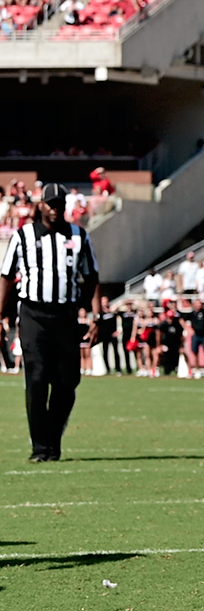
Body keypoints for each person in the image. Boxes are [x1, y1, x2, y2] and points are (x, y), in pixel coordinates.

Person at [0, 183, 105, 461]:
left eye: (59, 204)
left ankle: (53, 438)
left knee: (67, 380)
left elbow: (91, 276)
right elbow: (7, 276)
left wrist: (96, 315)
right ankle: (40, 447)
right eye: (50, 204)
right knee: (37, 378)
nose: (55, 209)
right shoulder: (23, 236)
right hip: (34, 314)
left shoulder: (79, 236)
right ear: (41, 205)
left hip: (66, 315)